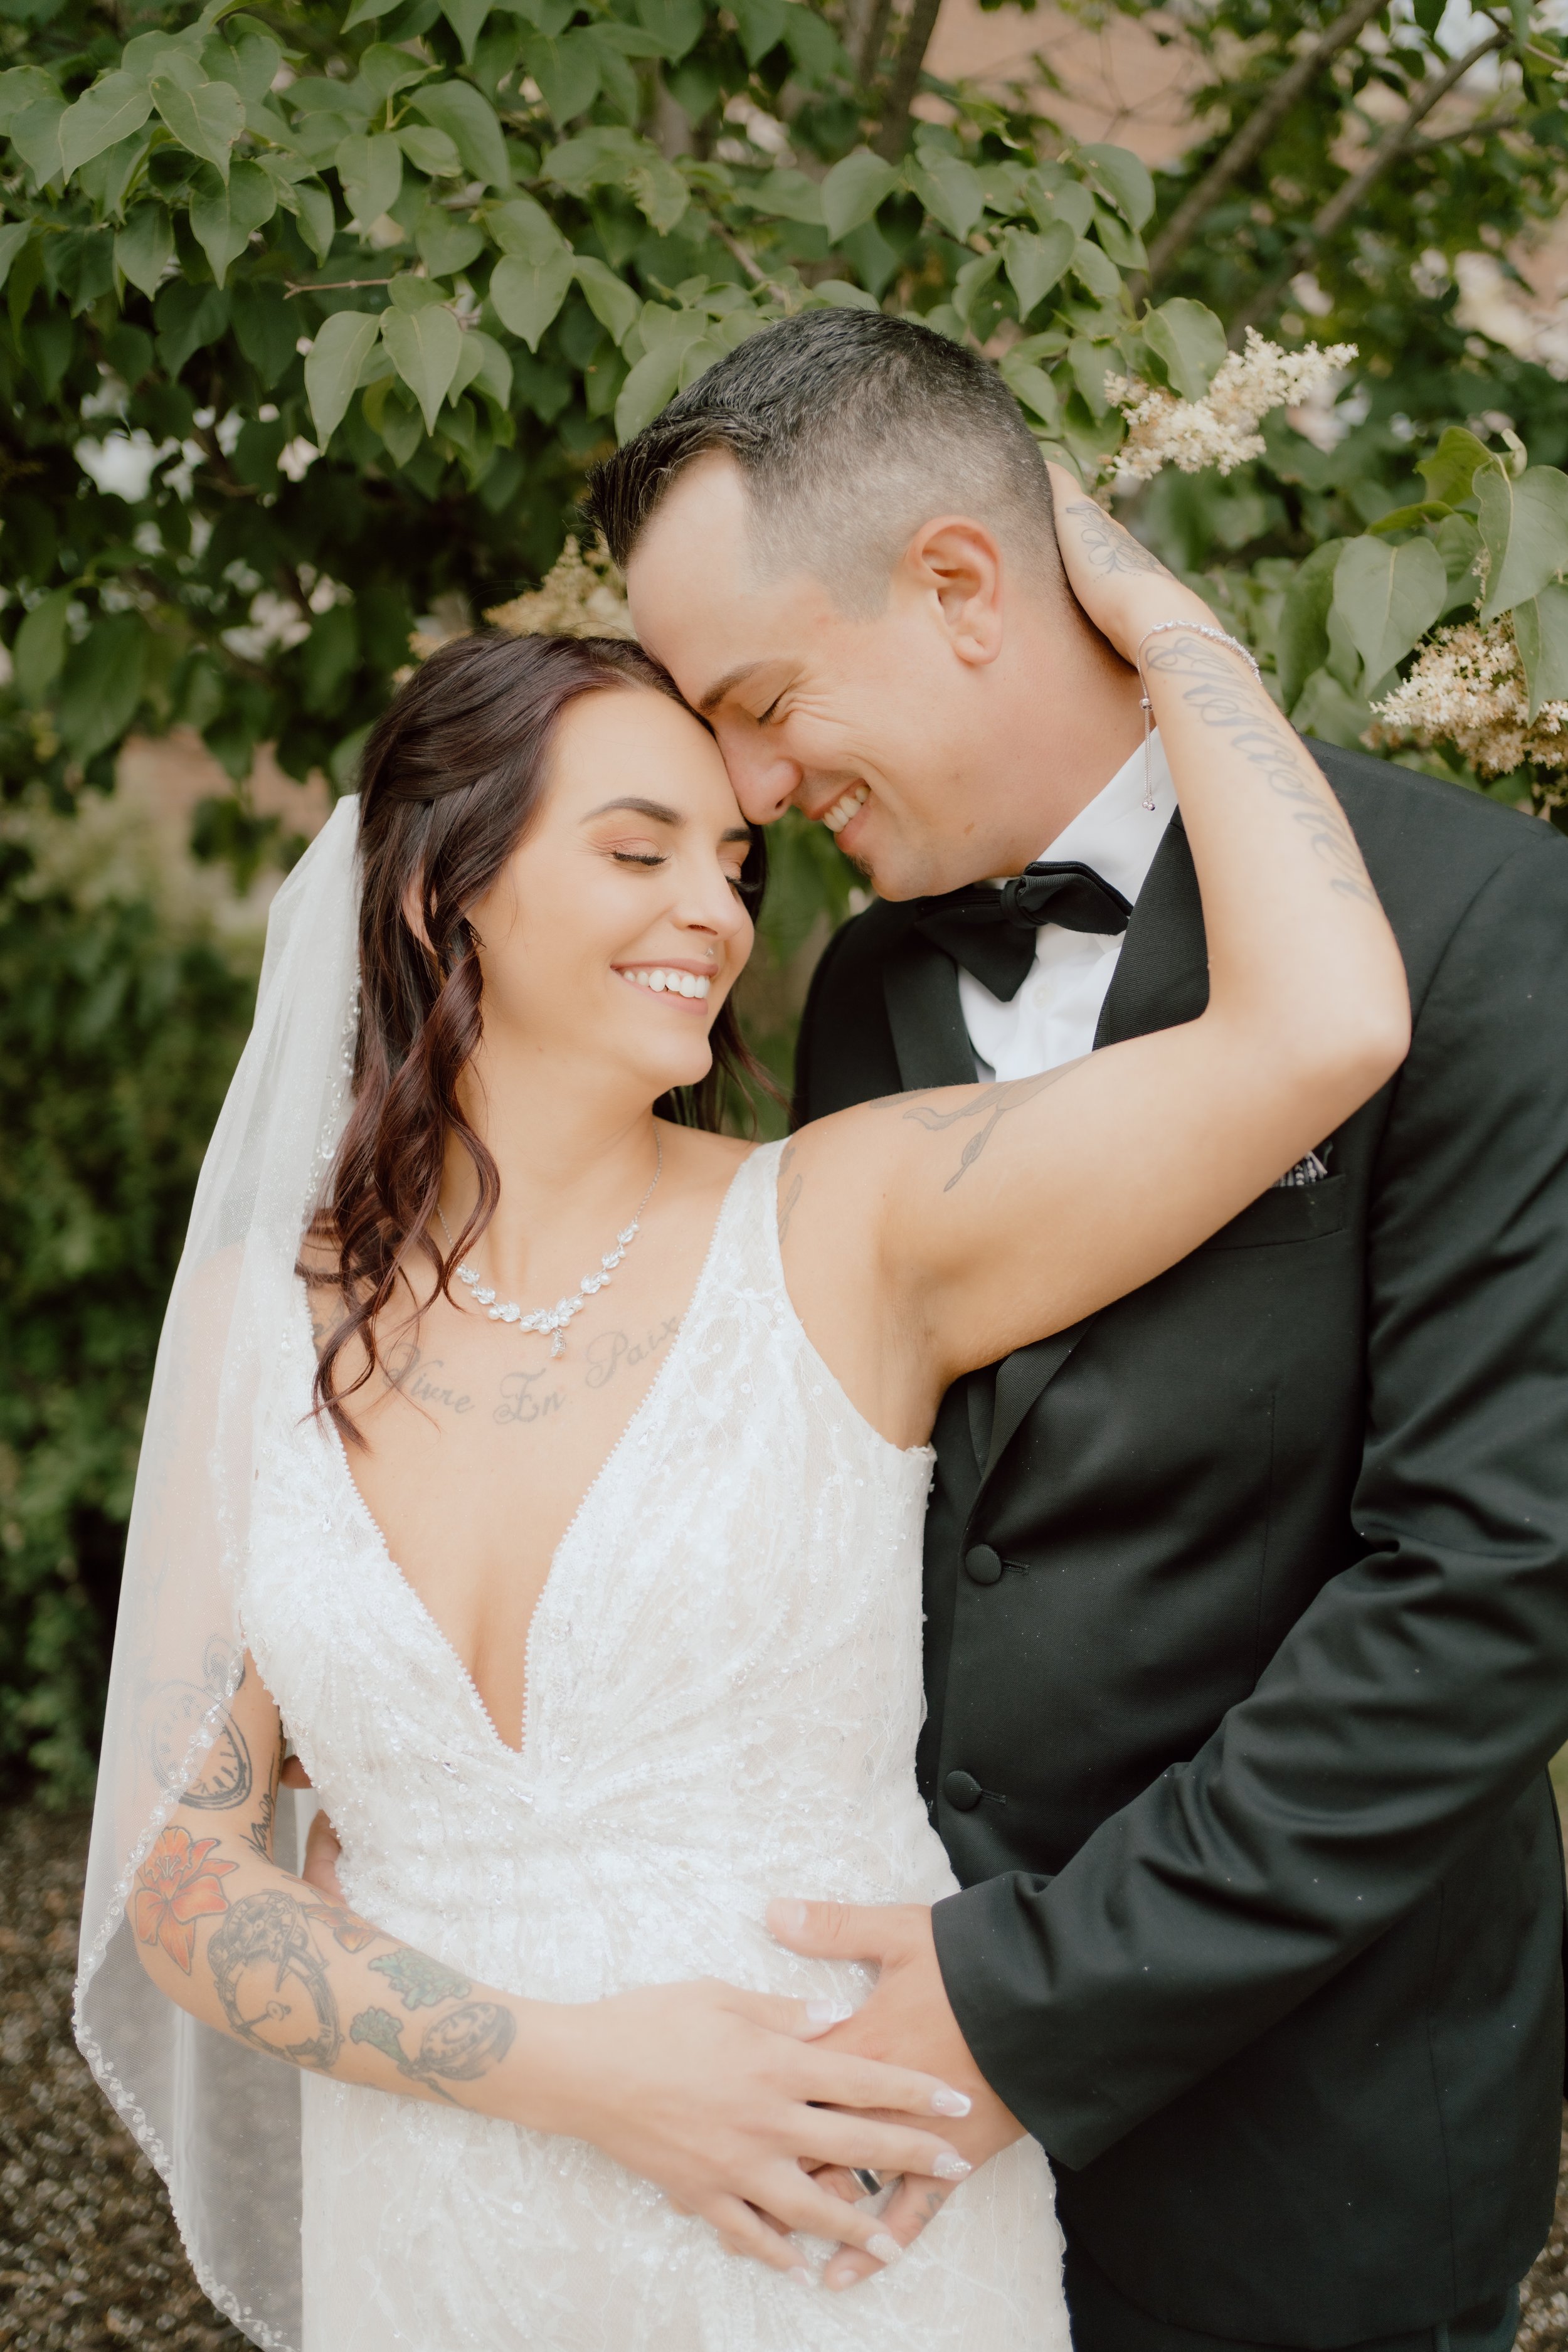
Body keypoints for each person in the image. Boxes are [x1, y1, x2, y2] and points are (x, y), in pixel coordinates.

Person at [74, 451, 1404, 2348]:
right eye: (637, 850)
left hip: (829, 2225)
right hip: (437, 2235)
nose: (711, 905)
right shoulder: (255, 1323)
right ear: (444, 893)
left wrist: (1145, 606)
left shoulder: (845, 1220)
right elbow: (181, 1887)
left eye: (733, 859)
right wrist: (585, 2075)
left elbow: (1322, 1024)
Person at [582, 307, 1568, 2350]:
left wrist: (1030, 1998)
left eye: (763, 701)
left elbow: (1488, 1591)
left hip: (1306, 2137)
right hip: (879, 2116)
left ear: (959, 583)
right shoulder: (864, 987)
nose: (748, 788)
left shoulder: (1480, 928)